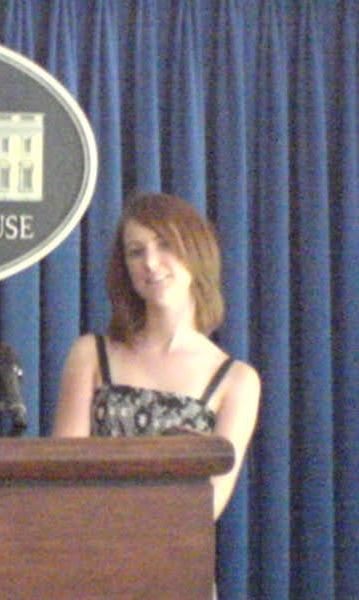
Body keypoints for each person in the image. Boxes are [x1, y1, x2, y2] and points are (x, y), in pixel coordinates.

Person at [53, 191, 260, 521]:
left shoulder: (237, 380)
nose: (150, 262)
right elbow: (61, 478)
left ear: (196, 251)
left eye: (164, 244)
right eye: (136, 252)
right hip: (90, 549)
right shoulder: (90, 354)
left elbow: (209, 505)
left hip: (176, 558)